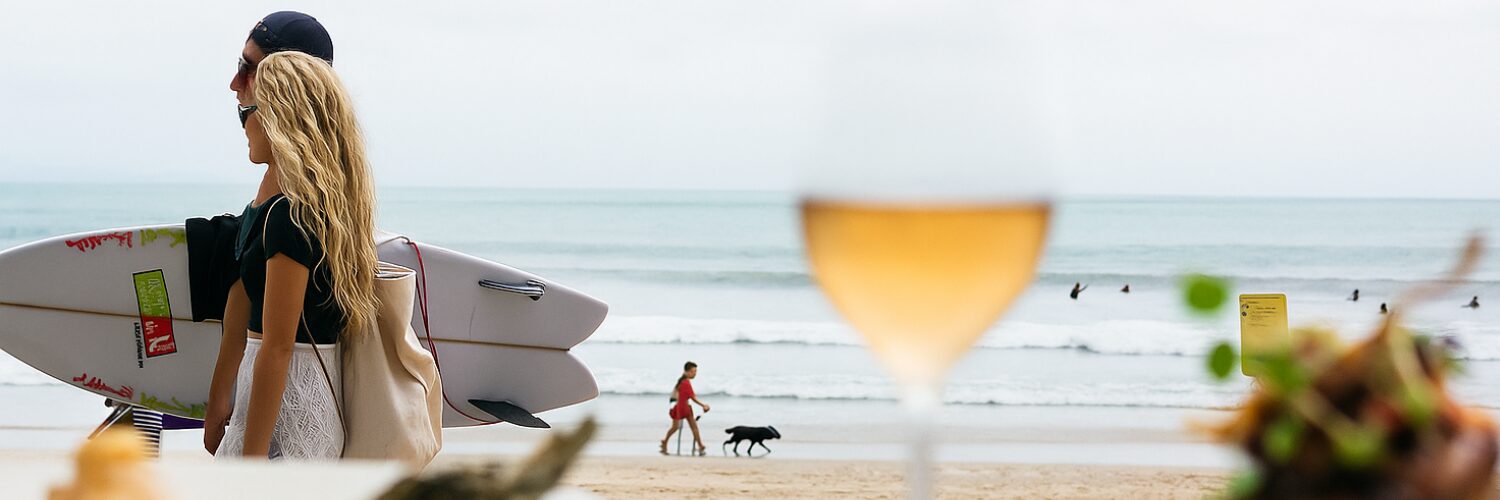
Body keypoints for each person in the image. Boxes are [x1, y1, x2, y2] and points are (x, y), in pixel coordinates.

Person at [204, 17, 377, 459]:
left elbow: (279, 347)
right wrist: (219, 397)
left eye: (250, 111)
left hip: (291, 407)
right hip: (272, 401)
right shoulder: (287, 201)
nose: (242, 116)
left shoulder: (293, 214)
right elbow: (241, 300)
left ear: (282, 116)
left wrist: (253, 460)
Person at [660, 361, 710, 456]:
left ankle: (665, 441)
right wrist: (703, 405)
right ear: (687, 372)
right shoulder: (686, 383)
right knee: (694, 428)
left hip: (678, 407)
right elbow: (692, 397)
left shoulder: (681, 381)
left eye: (695, 372)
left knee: (675, 427)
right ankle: (700, 445)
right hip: (684, 408)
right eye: (693, 371)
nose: (695, 374)